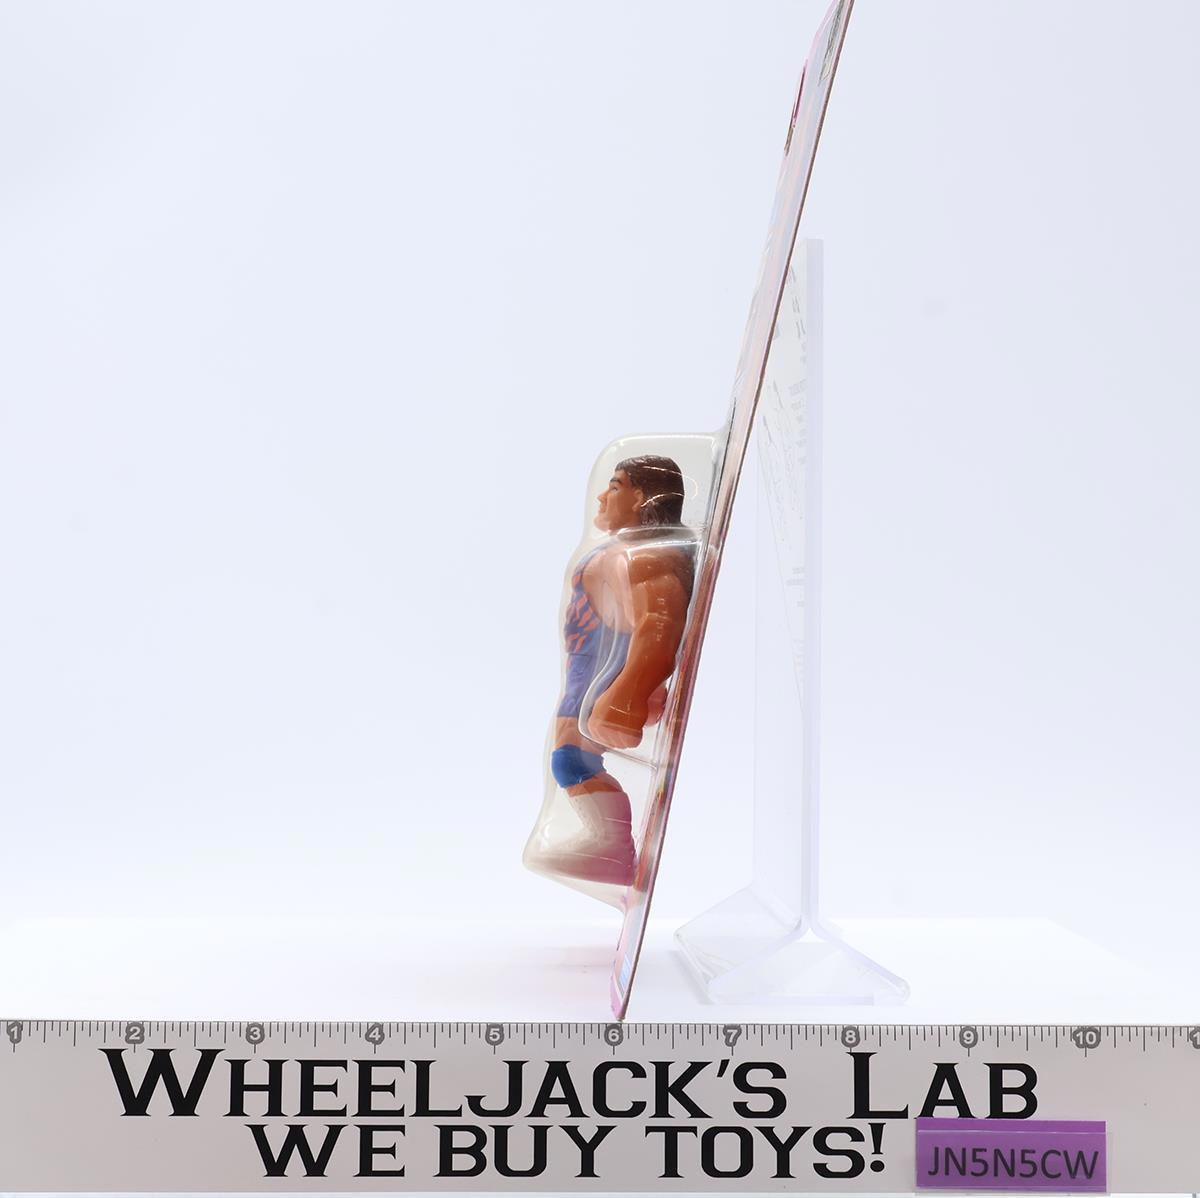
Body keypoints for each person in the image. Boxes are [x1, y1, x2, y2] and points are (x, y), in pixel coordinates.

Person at [524, 454, 695, 889]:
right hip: (589, 663)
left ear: (641, 498)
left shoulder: (643, 556)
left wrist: (627, 694)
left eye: (615, 486)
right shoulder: (626, 552)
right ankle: (607, 843)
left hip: (600, 672)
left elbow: (660, 624)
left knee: (571, 758)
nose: (601, 496)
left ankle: (612, 845)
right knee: (569, 756)